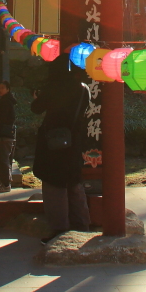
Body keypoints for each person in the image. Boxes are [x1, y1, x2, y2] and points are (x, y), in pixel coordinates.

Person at [30, 56, 91, 237]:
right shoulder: (83, 89)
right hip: (74, 142)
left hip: (53, 143)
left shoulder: (52, 87)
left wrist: (38, 97)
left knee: (54, 185)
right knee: (74, 182)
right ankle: (81, 225)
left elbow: (36, 108)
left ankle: (59, 230)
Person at [0, 79, 17, 191]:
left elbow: (0, 120)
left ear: (7, 89)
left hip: (3, 134)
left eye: (2, 88)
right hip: (8, 134)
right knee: (6, 159)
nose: (0, 90)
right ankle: (6, 182)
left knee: (2, 159)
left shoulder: (4, 102)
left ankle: (5, 184)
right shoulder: (8, 101)